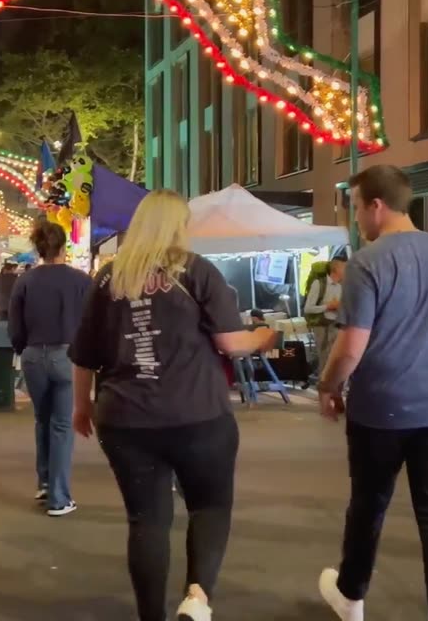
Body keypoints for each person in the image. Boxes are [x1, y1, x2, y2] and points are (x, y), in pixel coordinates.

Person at [69, 189, 276, 621]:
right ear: (178, 225)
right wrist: (264, 336)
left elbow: (84, 356)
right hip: (197, 414)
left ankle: (151, 616)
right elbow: (231, 343)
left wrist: (82, 408)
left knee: (147, 520)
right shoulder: (197, 271)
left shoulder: (109, 279)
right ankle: (196, 599)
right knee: (210, 506)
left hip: (125, 418)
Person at [312, 166, 428, 621]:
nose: (357, 218)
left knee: (369, 503)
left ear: (376, 205)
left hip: (382, 405)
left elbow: (351, 345)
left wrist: (328, 386)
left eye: (357, 208)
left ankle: (351, 595)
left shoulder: (368, 260)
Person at [9, 220, 92, 517]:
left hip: (33, 355)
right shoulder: (81, 281)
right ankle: (59, 497)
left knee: (42, 421)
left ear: (38, 247)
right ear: (63, 245)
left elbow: (15, 326)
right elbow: (92, 323)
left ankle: (44, 482)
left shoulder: (25, 281)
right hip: (67, 355)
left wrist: (22, 349)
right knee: (61, 425)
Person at [304, 259, 346, 384]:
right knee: (324, 357)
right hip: (322, 325)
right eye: (345, 268)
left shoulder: (342, 286)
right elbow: (308, 308)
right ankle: (324, 386)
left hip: (337, 325)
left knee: (337, 357)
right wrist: (328, 306)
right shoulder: (319, 284)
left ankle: (335, 385)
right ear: (336, 269)